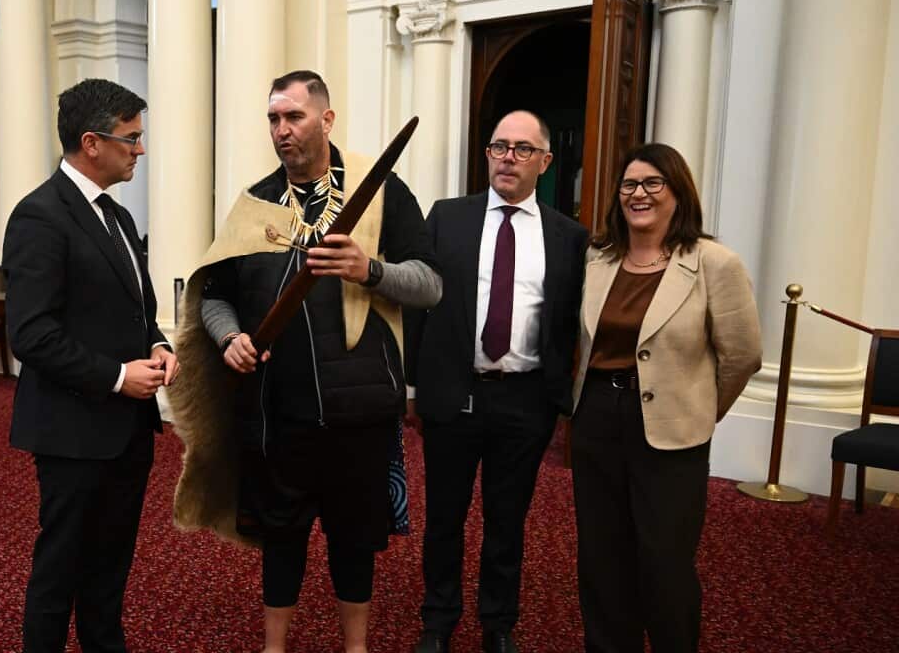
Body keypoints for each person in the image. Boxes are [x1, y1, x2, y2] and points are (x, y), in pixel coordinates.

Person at [169, 70, 441, 653]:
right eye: (273, 118)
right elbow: (215, 293)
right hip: (278, 410)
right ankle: (274, 649)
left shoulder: (380, 189)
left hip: (361, 410)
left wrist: (371, 270)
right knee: (281, 536)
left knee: (353, 539)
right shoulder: (256, 204)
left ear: (326, 119)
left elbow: (429, 286)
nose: (281, 130)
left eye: (293, 116)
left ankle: (357, 648)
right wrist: (228, 337)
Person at [2, 78, 178, 653]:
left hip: (127, 431)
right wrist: (117, 377)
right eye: (132, 139)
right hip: (73, 430)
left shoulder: (120, 219)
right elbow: (31, 335)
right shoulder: (39, 216)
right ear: (91, 142)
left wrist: (159, 348)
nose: (141, 150)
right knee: (60, 573)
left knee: (109, 571)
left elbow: (138, 313)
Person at [407, 111, 589, 653]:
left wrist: (560, 396)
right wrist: (414, 386)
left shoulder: (569, 237)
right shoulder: (446, 218)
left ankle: (498, 623)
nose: (508, 157)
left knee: (506, 521)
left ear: (545, 162)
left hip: (526, 399)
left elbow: (572, 319)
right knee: (444, 516)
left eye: (522, 149)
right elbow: (420, 304)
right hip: (453, 392)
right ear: (487, 154)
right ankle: (437, 620)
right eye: (499, 147)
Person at [570, 143, 760, 652]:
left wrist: (699, 409)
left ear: (678, 193)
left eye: (653, 183)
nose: (639, 194)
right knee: (602, 559)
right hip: (597, 423)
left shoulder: (714, 263)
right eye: (630, 184)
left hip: (671, 432)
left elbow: (742, 355)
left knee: (664, 564)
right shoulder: (600, 259)